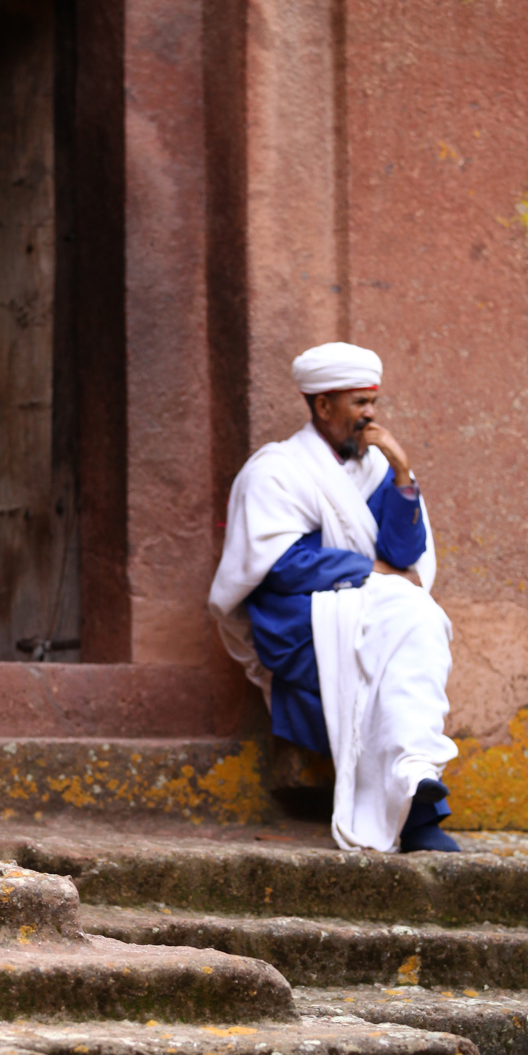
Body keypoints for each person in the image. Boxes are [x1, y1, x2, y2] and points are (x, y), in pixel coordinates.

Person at [208, 341, 459, 853]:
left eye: (374, 403)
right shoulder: (275, 471)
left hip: (372, 608)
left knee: (417, 619)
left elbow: (405, 555)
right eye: (359, 404)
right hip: (296, 623)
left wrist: (404, 474)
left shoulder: (378, 468)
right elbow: (279, 567)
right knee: (406, 614)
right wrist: (369, 571)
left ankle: (416, 784)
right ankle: (419, 813)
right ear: (323, 406)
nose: (371, 417)